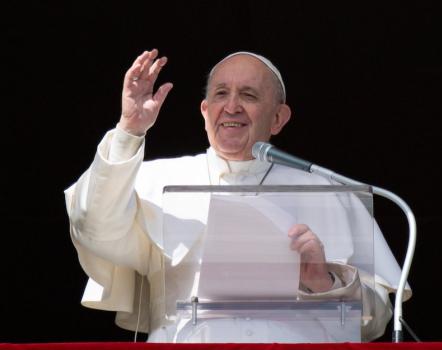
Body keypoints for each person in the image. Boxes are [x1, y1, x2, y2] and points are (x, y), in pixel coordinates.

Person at [64, 49, 411, 342]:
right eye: (220, 94)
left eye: (248, 95)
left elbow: (376, 320)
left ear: (278, 118)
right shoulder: (157, 179)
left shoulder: (330, 192)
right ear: (204, 112)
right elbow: (93, 228)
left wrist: (325, 282)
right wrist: (128, 130)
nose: (232, 107)